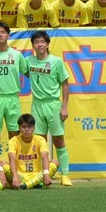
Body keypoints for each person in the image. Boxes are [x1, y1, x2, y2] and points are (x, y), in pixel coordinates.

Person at [26, 30, 72, 185]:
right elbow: (28, 74)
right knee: (40, 141)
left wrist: (64, 106)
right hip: (37, 105)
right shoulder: (28, 61)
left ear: (47, 44)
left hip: (53, 104)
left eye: (42, 42)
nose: (39, 44)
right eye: (36, 42)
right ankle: (42, 174)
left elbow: (65, 83)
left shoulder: (56, 61)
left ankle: (65, 174)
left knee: (59, 139)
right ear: (32, 45)